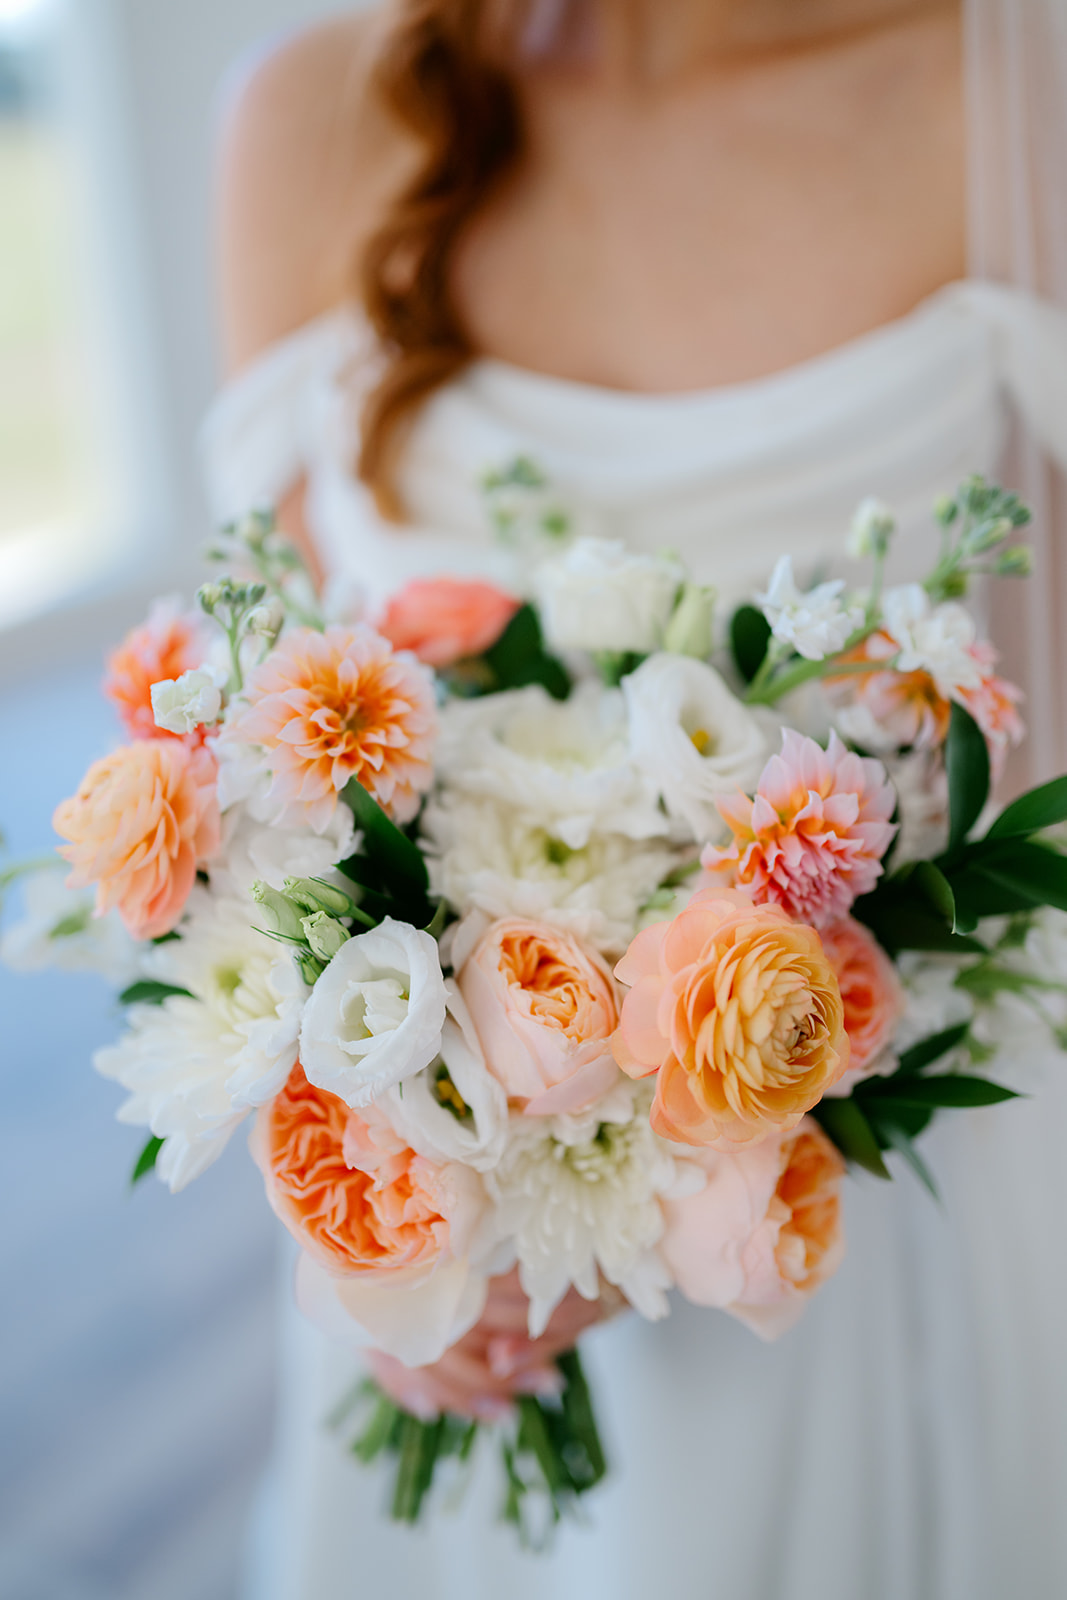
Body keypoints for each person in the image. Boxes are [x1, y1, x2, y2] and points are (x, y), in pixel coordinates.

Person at [202, 2, 1067, 1595]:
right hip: (449, 1247)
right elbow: (273, 750)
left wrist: (686, 1142)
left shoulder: (1008, 85)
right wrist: (429, 1191)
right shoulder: (314, 118)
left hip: (868, 1215)